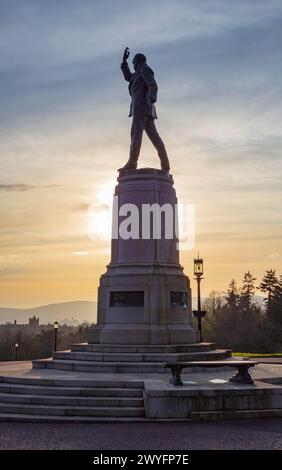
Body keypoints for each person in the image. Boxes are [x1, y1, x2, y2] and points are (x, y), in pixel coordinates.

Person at [120, 47, 170, 172]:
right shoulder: (137, 73)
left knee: (136, 134)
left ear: (137, 62)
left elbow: (152, 84)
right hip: (145, 107)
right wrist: (124, 62)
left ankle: (132, 163)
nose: (133, 66)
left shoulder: (144, 69)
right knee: (154, 137)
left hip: (142, 105)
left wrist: (151, 97)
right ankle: (165, 165)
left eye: (133, 63)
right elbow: (128, 77)